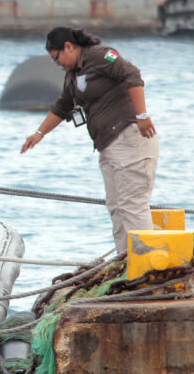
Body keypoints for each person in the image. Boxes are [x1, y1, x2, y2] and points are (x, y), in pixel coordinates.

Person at [21, 27, 159, 253]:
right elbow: (63, 106)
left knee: (132, 205)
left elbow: (132, 75)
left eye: (57, 58)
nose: (58, 63)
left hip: (129, 138)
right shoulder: (73, 74)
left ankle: (148, 266)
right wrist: (39, 134)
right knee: (116, 206)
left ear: (69, 46)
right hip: (108, 146)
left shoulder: (100, 55)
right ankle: (125, 261)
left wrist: (142, 115)